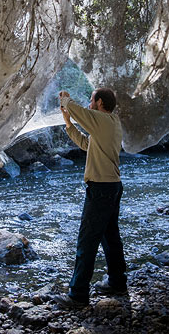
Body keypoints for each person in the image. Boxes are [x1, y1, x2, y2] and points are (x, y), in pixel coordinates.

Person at [53, 88, 128, 309]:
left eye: (92, 99)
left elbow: (81, 113)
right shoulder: (110, 123)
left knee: (87, 241)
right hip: (112, 187)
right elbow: (87, 145)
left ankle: (77, 295)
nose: (89, 103)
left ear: (100, 103)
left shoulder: (103, 120)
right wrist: (68, 124)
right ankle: (117, 282)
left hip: (101, 189)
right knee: (110, 237)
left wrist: (66, 100)